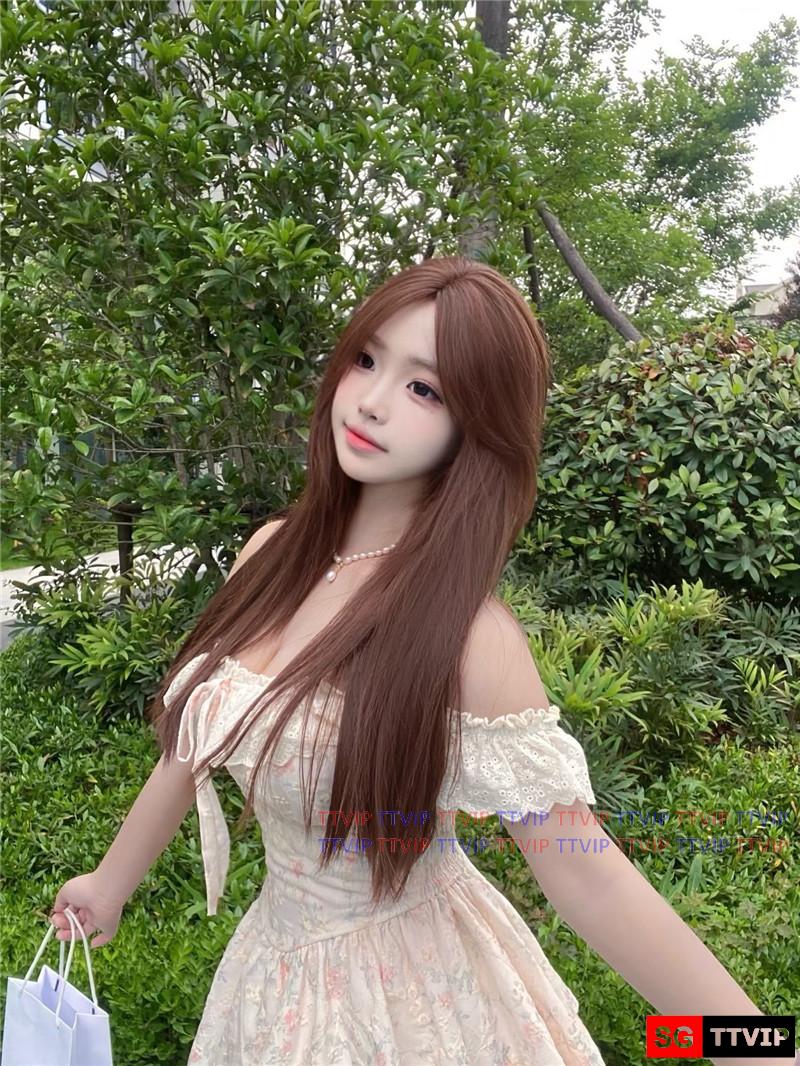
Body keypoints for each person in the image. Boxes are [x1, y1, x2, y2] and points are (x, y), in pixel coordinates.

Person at [49, 256, 798, 1066]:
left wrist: (756, 1046)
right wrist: (109, 883)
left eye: (423, 389)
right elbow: (196, 739)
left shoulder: (469, 637)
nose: (372, 401)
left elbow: (587, 873)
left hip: (415, 1001)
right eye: (367, 360)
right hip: (274, 974)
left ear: (478, 425)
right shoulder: (271, 552)